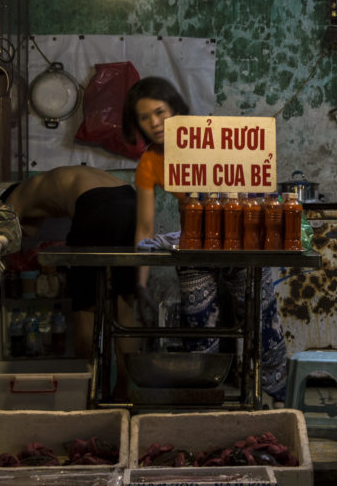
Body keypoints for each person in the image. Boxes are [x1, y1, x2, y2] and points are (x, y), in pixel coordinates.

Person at [121, 76, 289, 405]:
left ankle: (275, 401)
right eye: (144, 117)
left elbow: (254, 182)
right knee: (199, 330)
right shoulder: (150, 162)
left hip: (242, 243)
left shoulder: (210, 137)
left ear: (175, 109)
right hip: (195, 248)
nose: (154, 122)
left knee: (262, 322)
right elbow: (144, 227)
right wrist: (139, 284)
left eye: (160, 111)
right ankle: (203, 404)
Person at [0, 165, 142, 398]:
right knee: (124, 301)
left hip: (97, 205)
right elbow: (33, 231)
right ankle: (124, 391)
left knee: (85, 307)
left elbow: (5, 234)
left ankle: (88, 390)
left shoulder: (16, 196)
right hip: (131, 200)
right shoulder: (49, 184)